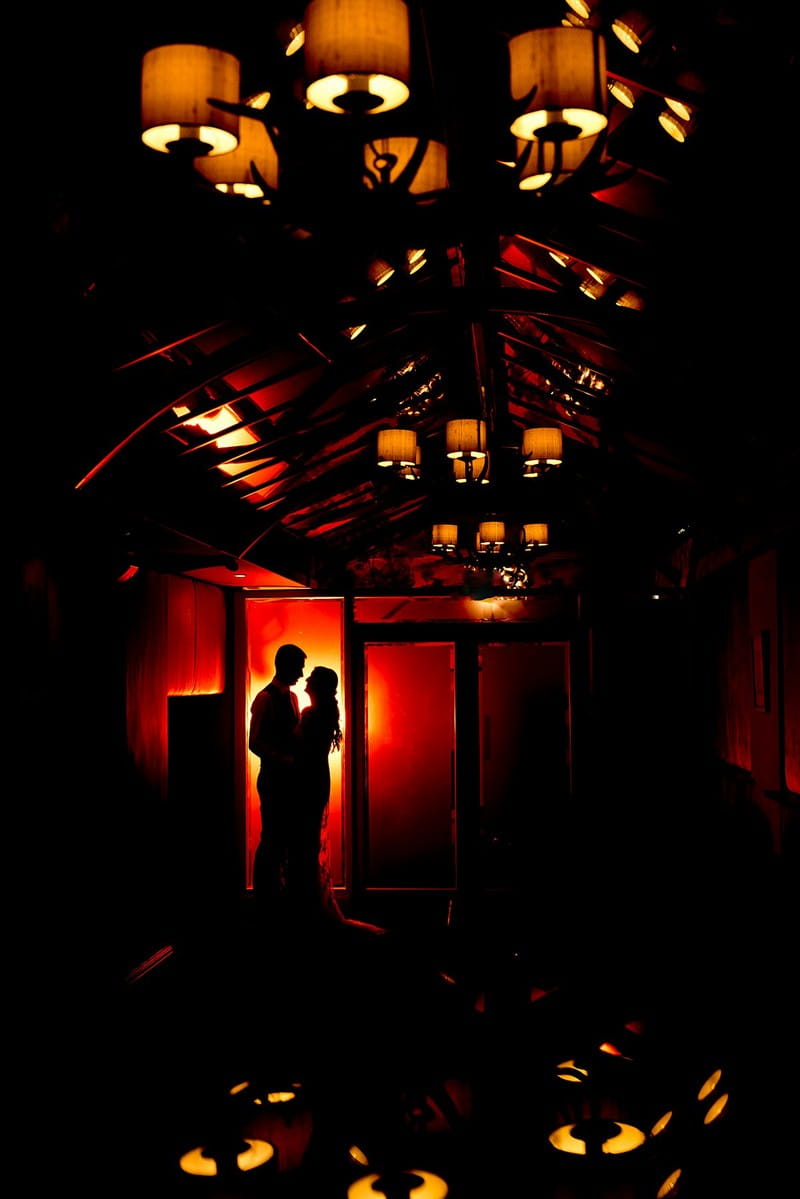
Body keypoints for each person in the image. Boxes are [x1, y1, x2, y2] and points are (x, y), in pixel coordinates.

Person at [248, 642, 307, 916]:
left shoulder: (293, 699)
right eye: (299, 667)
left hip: (290, 780)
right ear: (285, 665)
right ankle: (264, 896)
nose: (301, 673)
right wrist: (283, 759)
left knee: (285, 836)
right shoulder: (264, 699)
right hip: (272, 779)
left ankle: (280, 892)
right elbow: (255, 742)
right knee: (271, 835)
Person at [292, 665, 347, 924]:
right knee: (310, 839)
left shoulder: (311, 715)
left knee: (305, 840)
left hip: (308, 779)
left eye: (312, 677)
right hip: (318, 777)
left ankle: (306, 906)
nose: (306, 679)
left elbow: (298, 748)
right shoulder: (324, 713)